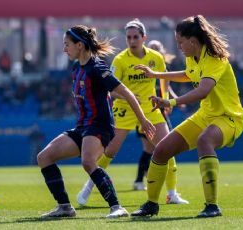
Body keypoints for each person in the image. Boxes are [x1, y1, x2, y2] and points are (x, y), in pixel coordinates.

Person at [130, 15, 243, 218]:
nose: (179, 46)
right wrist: (156, 75)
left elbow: (202, 91)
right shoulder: (193, 56)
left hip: (229, 118)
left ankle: (212, 206)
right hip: (205, 116)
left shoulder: (215, 58)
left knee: (205, 140)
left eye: (180, 42)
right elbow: (188, 74)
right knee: (162, 150)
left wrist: (171, 102)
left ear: (192, 41)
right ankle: (151, 204)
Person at [36, 25, 156, 218]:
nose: (64, 49)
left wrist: (142, 120)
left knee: (88, 162)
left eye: (67, 44)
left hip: (100, 125)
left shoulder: (97, 67)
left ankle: (117, 207)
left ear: (80, 45)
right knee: (43, 157)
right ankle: (65, 207)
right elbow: (111, 92)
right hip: (83, 126)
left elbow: (126, 92)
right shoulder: (77, 68)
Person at [76, 19, 188, 206]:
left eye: (136, 36)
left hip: (150, 110)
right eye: (129, 37)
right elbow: (109, 89)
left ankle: (172, 194)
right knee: (109, 152)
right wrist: (125, 95)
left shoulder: (156, 58)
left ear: (143, 37)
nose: (132, 40)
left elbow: (164, 78)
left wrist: (166, 97)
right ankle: (87, 189)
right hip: (125, 110)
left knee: (167, 149)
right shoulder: (120, 60)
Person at [132, 40, 188, 206]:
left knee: (154, 148)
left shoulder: (161, 67)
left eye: (157, 48)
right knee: (152, 148)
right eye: (152, 48)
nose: (153, 50)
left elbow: (166, 85)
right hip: (146, 112)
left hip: (161, 111)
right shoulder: (143, 67)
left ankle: (145, 182)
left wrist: (173, 100)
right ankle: (146, 182)